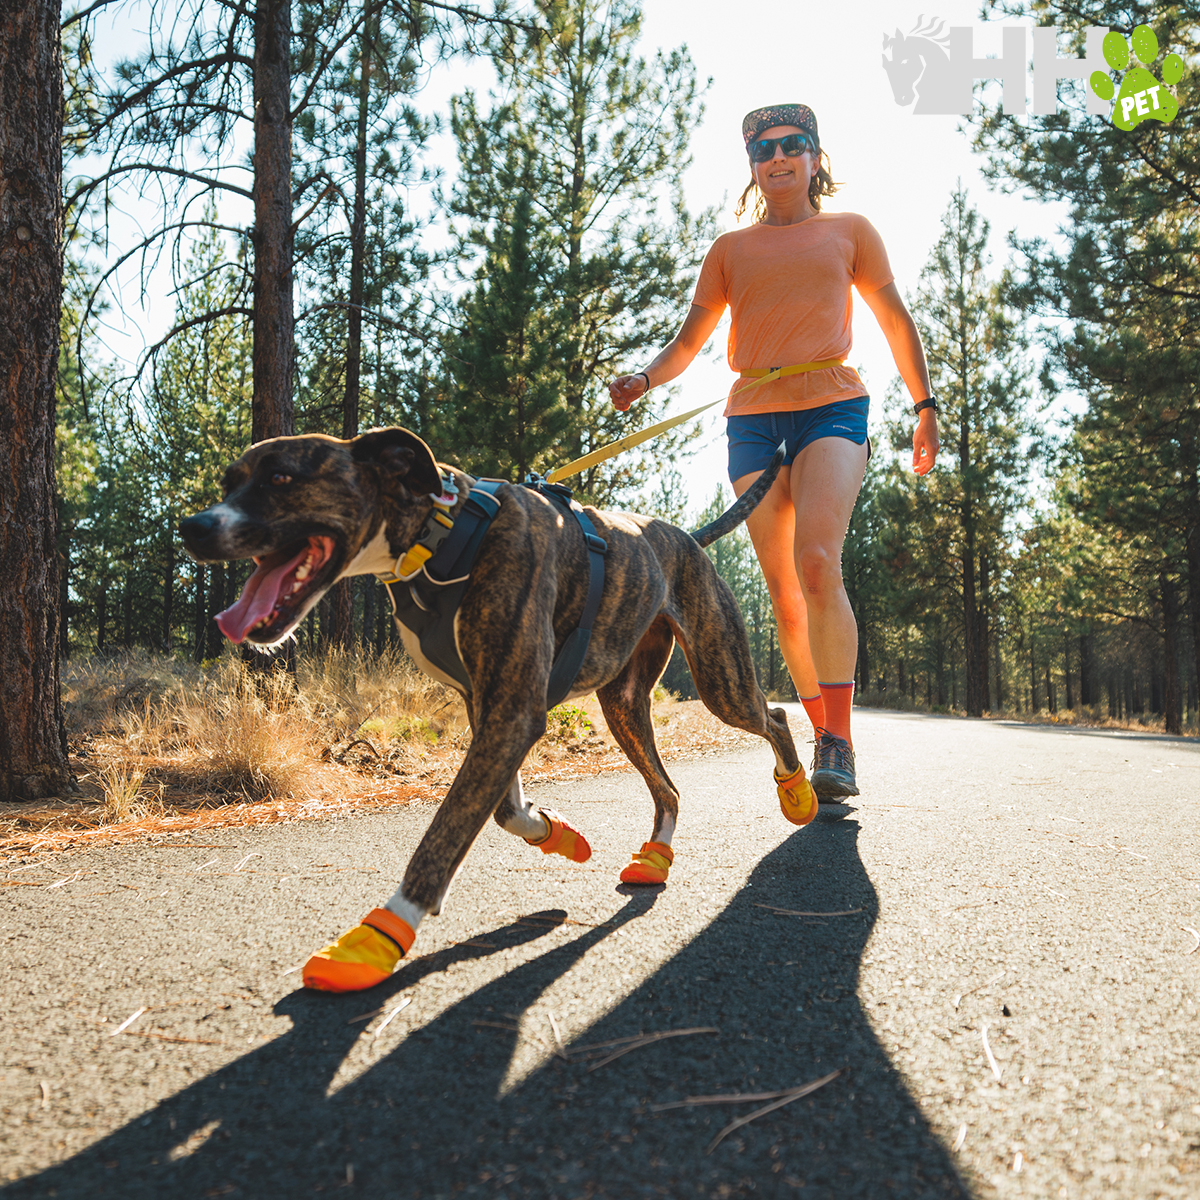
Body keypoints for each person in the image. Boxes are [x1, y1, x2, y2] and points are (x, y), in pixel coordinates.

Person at [609, 102, 939, 802]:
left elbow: (894, 317)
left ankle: (840, 741)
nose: (779, 158)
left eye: (793, 145)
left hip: (832, 405)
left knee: (819, 562)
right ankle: (822, 735)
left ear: (817, 158)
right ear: (753, 168)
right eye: (765, 150)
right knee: (786, 594)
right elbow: (689, 342)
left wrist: (924, 405)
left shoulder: (851, 231)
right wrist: (644, 377)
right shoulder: (731, 251)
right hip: (753, 419)